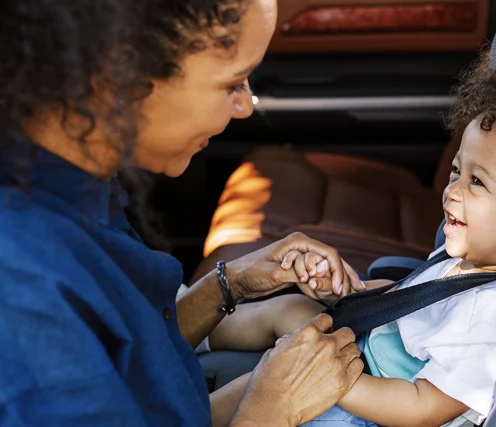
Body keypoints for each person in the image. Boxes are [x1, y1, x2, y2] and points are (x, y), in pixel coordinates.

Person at [0, 0, 367, 425]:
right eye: (232, 84)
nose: (246, 106)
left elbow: (135, 357)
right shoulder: (25, 290)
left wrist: (229, 287)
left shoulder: (72, 182)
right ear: (119, 76)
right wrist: (267, 411)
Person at [203, 58, 496, 426]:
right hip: (371, 364)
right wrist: (350, 293)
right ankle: (187, 360)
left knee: (271, 382)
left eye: (477, 182)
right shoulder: (476, 256)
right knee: (288, 317)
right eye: (457, 171)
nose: (452, 190)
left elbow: (423, 408)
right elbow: (415, 301)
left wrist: (327, 381)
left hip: (375, 413)